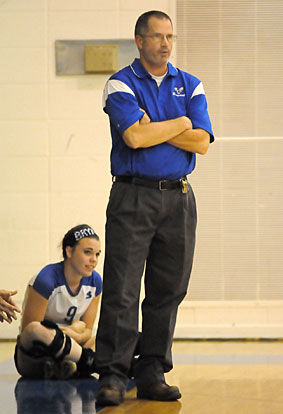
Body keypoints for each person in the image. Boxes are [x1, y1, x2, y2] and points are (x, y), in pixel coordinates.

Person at [95, 10, 214, 406]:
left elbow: (202, 142)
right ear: (139, 41)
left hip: (178, 198)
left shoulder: (190, 84)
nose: (165, 44)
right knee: (123, 289)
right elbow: (132, 137)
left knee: (168, 290)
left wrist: (163, 125)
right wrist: (181, 124)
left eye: (170, 37)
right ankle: (112, 374)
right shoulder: (120, 83)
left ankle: (152, 372)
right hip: (133, 196)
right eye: (157, 36)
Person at [14, 224, 102, 379]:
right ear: (69, 251)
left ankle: (73, 365)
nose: (93, 260)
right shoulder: (46, 279)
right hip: (37, 354)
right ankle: (90, 364)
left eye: (97, 254)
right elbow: (30, 331)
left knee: (104, 337)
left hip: (73, 347)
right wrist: (71, 330)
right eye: (88, 252)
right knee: (36, 329)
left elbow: (87, 331)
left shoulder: (95, 282)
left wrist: (78, 335)